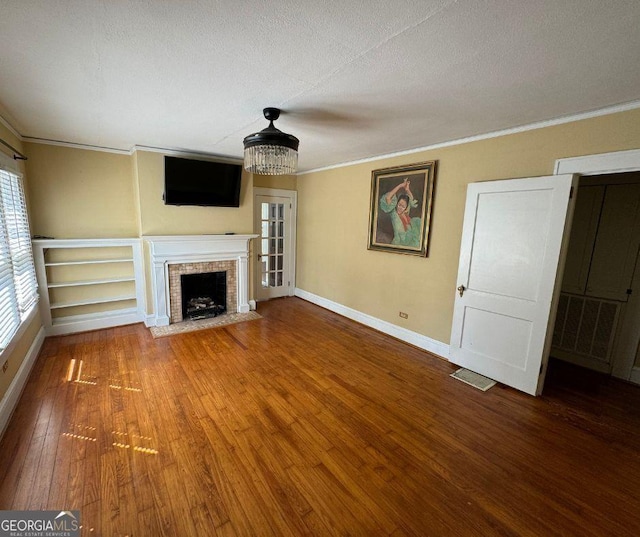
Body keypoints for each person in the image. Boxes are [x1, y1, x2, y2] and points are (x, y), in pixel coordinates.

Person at [379, 178, 422, 248]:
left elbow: (411, 198)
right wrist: (400, 186)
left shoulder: (405, 213)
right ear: (397, 203)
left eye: (403, 206)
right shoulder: (393, 212)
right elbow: (388, 198)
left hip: (411, 241)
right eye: (399, 205)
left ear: (406, 208)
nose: (400, 207)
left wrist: (407, 189)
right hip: (399, 243)